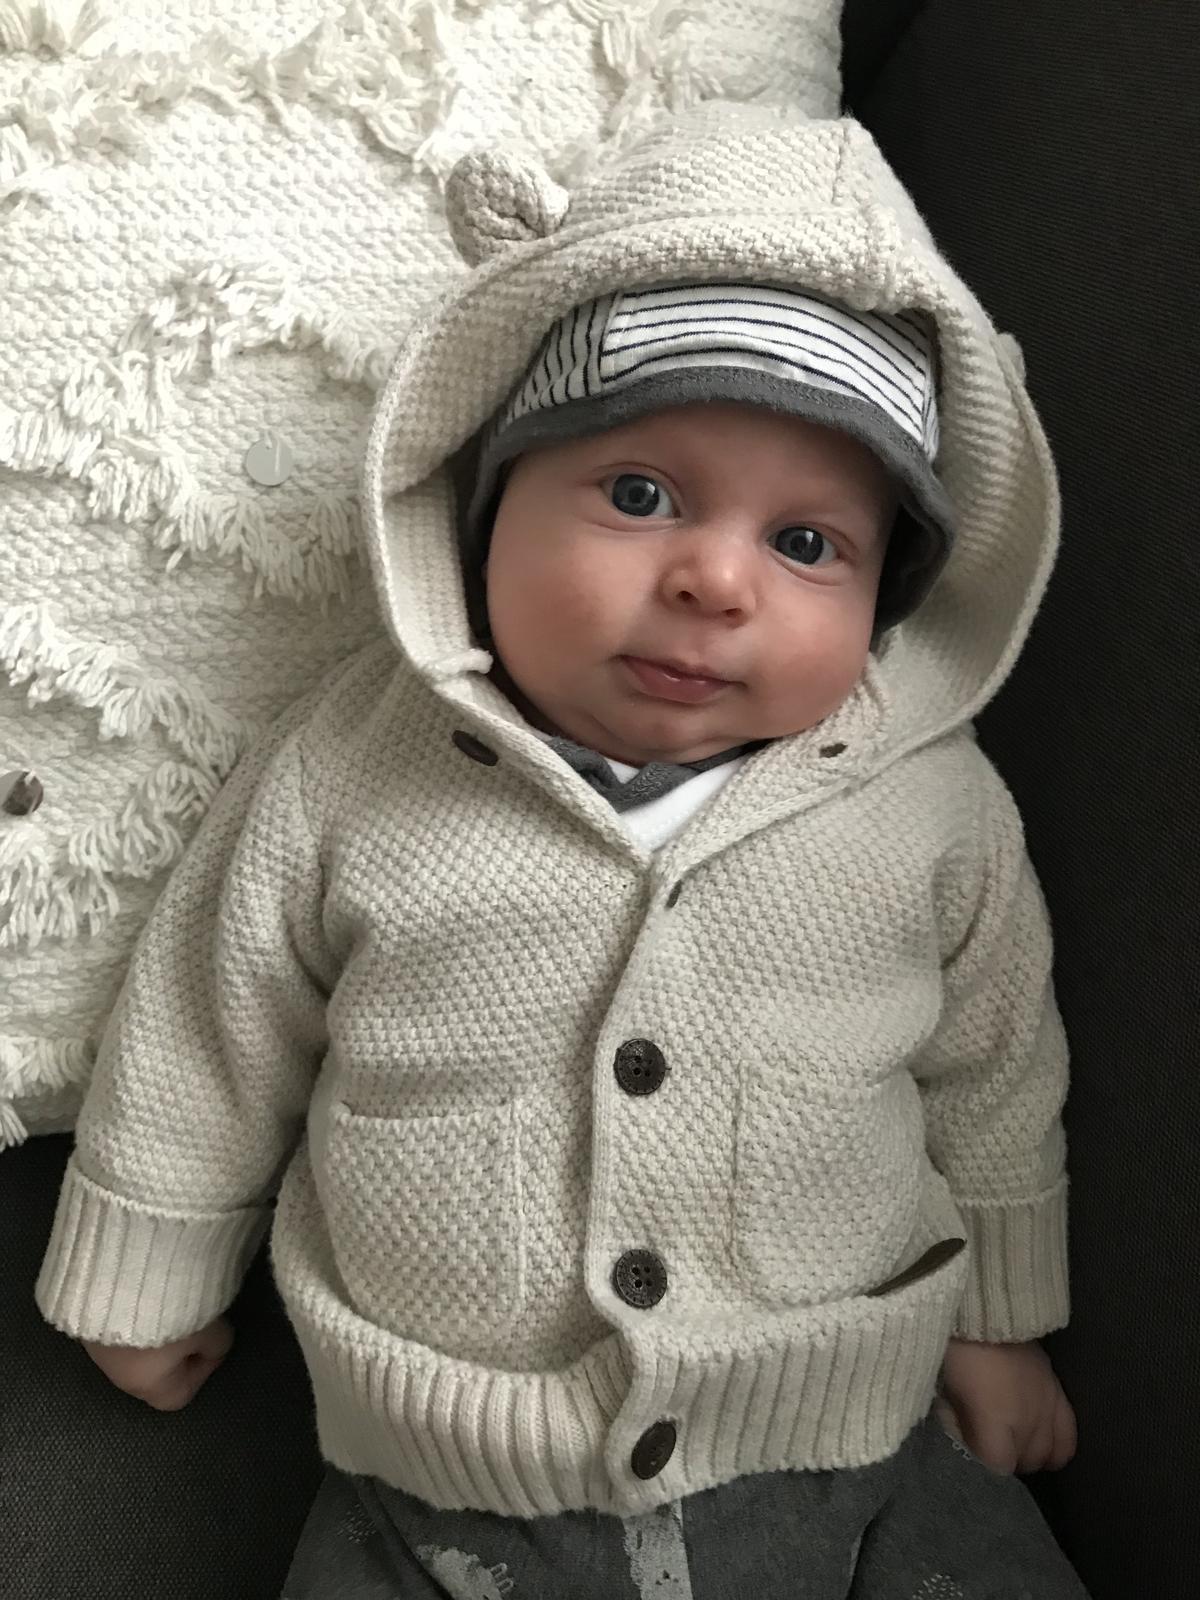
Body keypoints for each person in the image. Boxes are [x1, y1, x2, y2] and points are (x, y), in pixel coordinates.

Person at [34, 105, 1090, 1597]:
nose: (713, 579)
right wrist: (148, 1263)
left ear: (887, 600)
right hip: (441, 1482)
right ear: (486, 510)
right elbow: (215, 1018)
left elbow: (992, 1063)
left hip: (856, 1442)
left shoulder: (930, 800)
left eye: (808, 544)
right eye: (639, 495)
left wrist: (1000, 1318)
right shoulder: (356, 761)